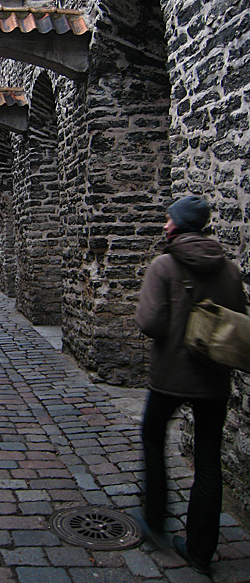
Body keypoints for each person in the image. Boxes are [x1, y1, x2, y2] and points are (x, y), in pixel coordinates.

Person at [135, 195, 246, 574]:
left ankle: (154, 517)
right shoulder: (228, 269)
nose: (165, 224)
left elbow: (149, 322)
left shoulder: (165, 265)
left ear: (179, 224)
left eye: (168, 219)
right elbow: (238, 318)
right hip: (213, 378)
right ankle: (200, 550)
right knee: (208, 458)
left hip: (170, 377)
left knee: (152, 436)